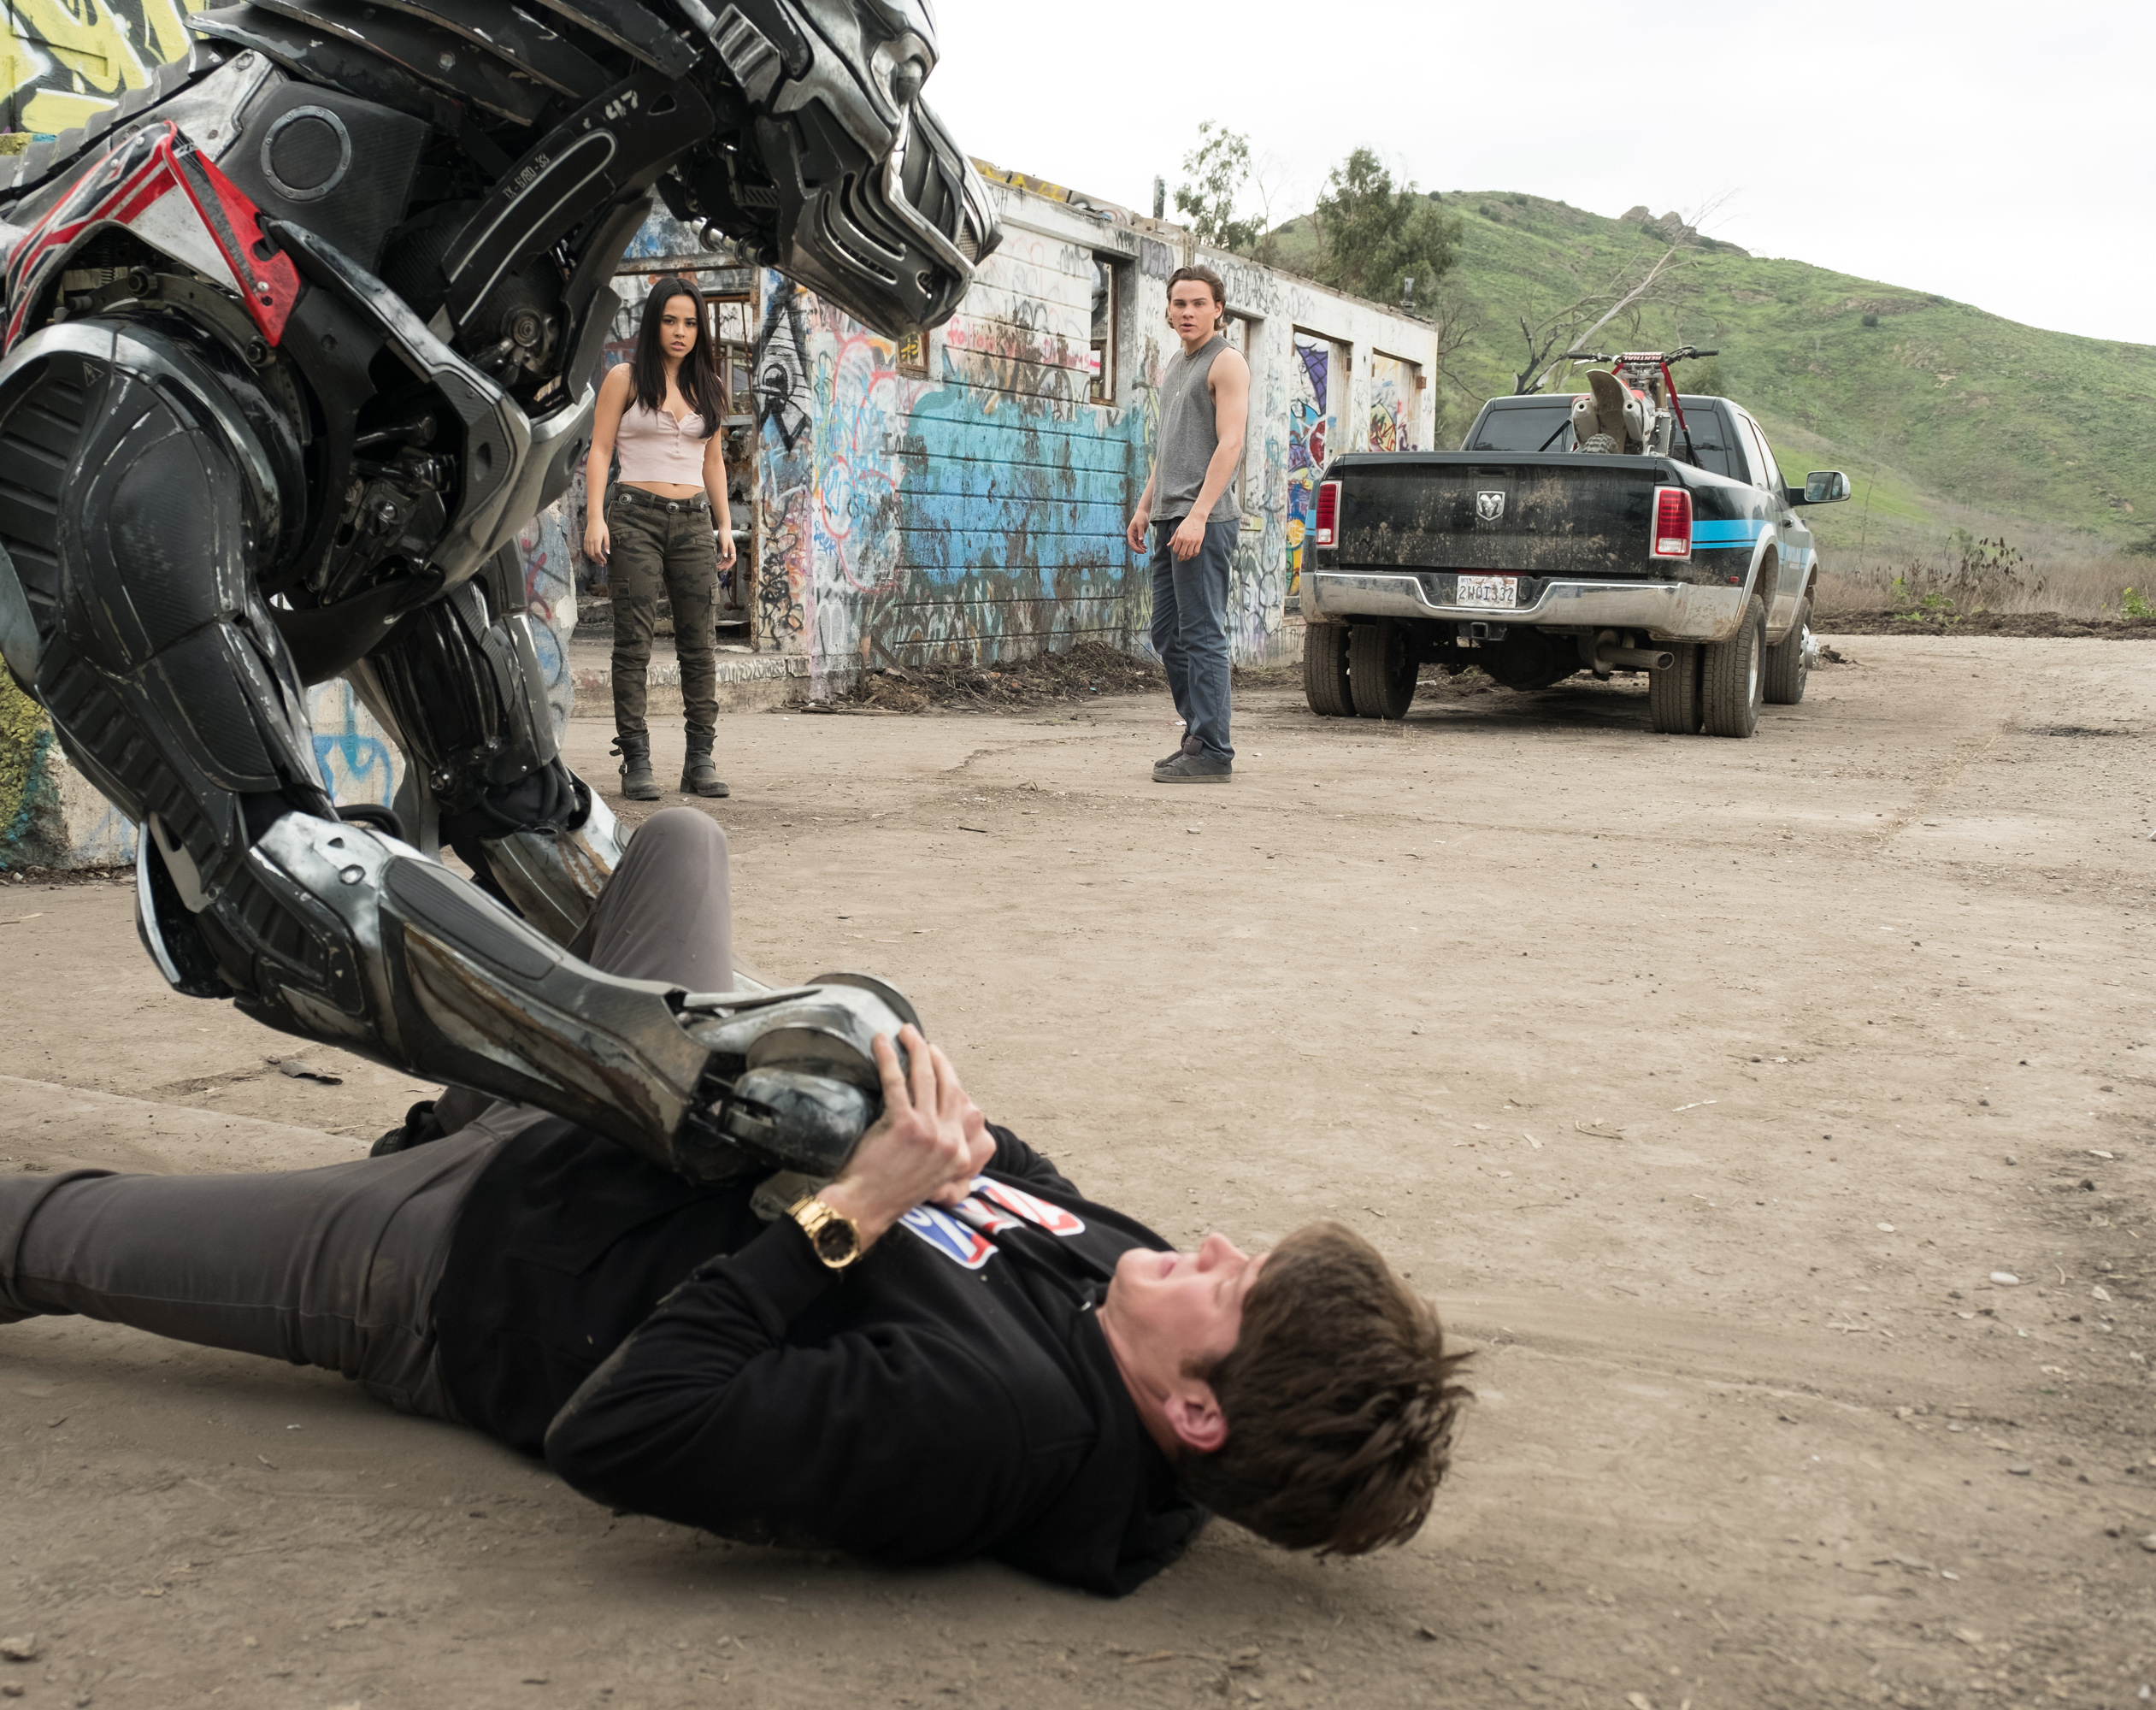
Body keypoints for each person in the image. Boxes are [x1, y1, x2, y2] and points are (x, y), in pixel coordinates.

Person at [0, 813, 1470, 1597]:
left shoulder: (987, 1429)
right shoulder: (1124, 1284)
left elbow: (623, 1434)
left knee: (49, 1230)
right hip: (618, 1107)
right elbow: (1007, 1170)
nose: (1208, 1248)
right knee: (675, 845)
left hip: (475, 1264)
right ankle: (453, 1068)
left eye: (1233, 1285)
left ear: (1195, 1415)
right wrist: (911, 1100)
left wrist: (851, 1213)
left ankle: (369, 1042)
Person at [584, 278, 738, 802]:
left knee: (700, 646)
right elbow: (600, 450)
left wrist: (723, 525)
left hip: (694, 522)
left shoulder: (710, 386)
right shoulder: (625, 379)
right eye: (670, 320)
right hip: (635, 518)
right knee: (634, 644)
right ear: (654, 324)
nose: (680, 331)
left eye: (690, 323)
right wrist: (595, 517)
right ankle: (636, 760)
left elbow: (712, 461)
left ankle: (700, 760)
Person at [1125, 266, 1251, 785]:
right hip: (1169, 517)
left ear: (1218, 308)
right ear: (1169, 309)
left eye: (1199, 303)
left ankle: (1214, 751)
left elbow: (1231, 443)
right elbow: (1170, 448)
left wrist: (1198, 514)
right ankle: (1198, 736)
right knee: (1167, 633)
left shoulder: (1227, 362)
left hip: (1203, 520)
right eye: (1179, 303)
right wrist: (1144, 506)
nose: (1188, 312)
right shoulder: (1177, 364)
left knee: (1201, 634)